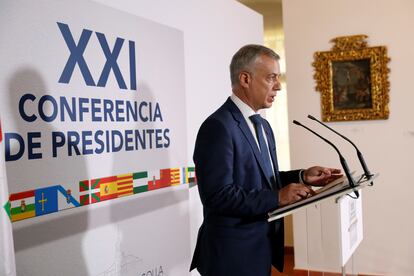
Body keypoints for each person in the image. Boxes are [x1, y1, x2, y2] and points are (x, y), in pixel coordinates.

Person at [189, 44, 342, 276]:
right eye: (271, 78)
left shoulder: (263, 125)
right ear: (245, 79)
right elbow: (217, 195)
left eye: (278, 78)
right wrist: (278, 196)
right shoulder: (218, 127)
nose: (278, 86)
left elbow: (262, 179)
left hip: (260, 247)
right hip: (231, 255)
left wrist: (302, 177)